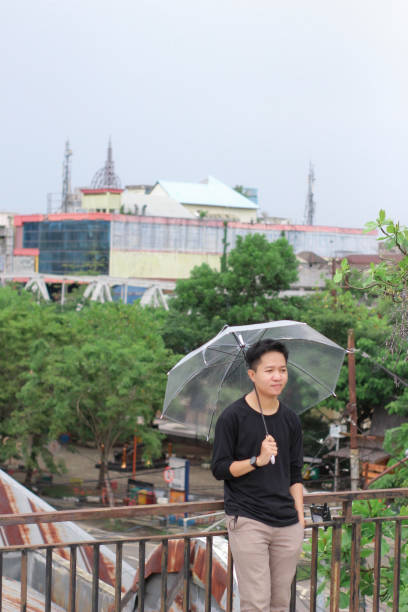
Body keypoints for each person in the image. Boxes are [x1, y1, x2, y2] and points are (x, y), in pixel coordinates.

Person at [211, 339, 304, 612]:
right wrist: (257, 460)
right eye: (269, 370)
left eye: (283, 370)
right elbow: (220, 468)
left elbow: (295, 472)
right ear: (252, 375)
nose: (278, 376)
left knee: (279, 603)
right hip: (249, 519)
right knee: (256, 603)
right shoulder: (232, 417)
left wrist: (300, 517)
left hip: (287, 524)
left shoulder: (290, 420)